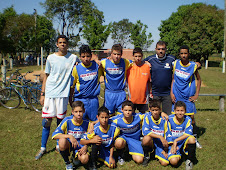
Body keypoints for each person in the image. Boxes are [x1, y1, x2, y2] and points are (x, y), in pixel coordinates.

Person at [35, 35, 80, 160]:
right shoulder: (50, 58)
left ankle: (58, 145)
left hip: (63, 94)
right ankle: (43, 147)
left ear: (67, 44)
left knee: (61, 122)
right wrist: (42, 94)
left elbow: (83, 64)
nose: (63, 45)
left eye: (65, 42)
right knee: (47, 121)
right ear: (57, 44)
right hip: (50, 93)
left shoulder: (73, 57)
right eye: (60, 43)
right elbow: (46, 76)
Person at [170, 45, 202, 149]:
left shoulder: (193, 66)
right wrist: (171, 92)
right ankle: (175, 139)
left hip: (188, 97)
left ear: (188, 54)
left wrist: (196, 94)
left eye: (185, 53)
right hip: (177, 97)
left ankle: (194, 138)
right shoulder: (175, 64)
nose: (184, 55)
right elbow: (173, 79)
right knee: (176, 118)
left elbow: (199, 79)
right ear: (179, 54)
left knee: (191, 118)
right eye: (182, 53)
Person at [52, 101, 90, 170]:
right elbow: (54, 135)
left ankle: (75, 157)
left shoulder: (87, 123)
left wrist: (86, 146)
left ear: (84, 111)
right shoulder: (67, 120)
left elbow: (91, 137)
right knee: (62, 141)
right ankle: (67, 163)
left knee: (85, 159)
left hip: (80, 145)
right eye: (76, 112)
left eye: (80, 111)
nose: (78, 114)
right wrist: (70, 136)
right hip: (69, 143)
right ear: (72, 112)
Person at [143, 41, 175, 115]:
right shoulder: (151, 59)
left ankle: (166, 127)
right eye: (159, 49)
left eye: (163, 49)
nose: (161, 51)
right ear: (155, 49)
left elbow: (182, 64)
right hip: (155, 93)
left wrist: (196, 64)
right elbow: (138, 62)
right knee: (154, 114)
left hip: (167, 93)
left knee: (167, 115)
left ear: (166, 49)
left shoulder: (171, 59)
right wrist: (145, 63)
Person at [70, 45, 101, 121]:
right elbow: (72, 86)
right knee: (78, 122)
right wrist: (71, 100)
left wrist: (97, 60)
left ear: (91, 56)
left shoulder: (97, 66)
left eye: (88, 56)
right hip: (80, 99)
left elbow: (109, 61)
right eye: (83, 57)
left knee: (95, 122)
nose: (86, 59)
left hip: (93, 100)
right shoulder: (76, 68)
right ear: (80, 57)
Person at [100, 44, 132, 116]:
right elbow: (94, 63)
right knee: (108, 116)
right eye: (114, 54)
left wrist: (146, 62)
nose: (116, 56)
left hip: (121, 93)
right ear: (111, 53)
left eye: (118, 54)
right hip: (109, 94)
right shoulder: (104, 62)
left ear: (121, 54)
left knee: (122, 116)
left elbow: (137, 62)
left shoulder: (126, 62)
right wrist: (96, 60)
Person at [112, 100, 144, 165]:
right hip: (123, 138)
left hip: (135, 140)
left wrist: (161, 113)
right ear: (122, 110)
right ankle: (121, 155)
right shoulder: (117, 119)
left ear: (133, 110)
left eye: (129, 110)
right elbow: (105, 119)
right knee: (118, 142)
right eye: (125, 110)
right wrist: (93, 124)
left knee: (139, 160)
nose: (128, 112)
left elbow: (150, 114)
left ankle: (130, 149)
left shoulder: (138, 117)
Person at [167, 101, 197, 170]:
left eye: (182, 111)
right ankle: (181, 155)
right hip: (172, 143)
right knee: (174, 162)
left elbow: (188, 133)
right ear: (174, 111)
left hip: (182, 142)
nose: (180, 113)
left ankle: (190, 160)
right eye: (177, 110)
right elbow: (167, 134)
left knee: (192, 139)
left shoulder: (188, 119)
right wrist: (172, 144)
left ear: (185, 111)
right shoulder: (169, 119)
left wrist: (176, 141)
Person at [142, 99, 171, 167]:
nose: (155, 112)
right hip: (152, 141)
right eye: (153, 110)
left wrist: (166, 147)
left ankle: (157, 153)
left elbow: (168, 133)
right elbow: (145, 132)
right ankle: (146, 156)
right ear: (149, 109)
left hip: (161, 143)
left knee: (165, 163)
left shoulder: (164, 119)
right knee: (146, 138)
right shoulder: (147, 116)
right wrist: (160, 137)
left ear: (160, 110)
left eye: (157, 110)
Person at [127, 47, 151, 113]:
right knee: (131, 118)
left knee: (143, 118)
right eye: (136, 56)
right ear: (133, 56)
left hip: (143, 99)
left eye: (139, 56)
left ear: (142, 56)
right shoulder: (129, 66)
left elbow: (149, 82)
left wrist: (150, 93)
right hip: (132, 99)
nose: (138, 58)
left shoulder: (147, 67)